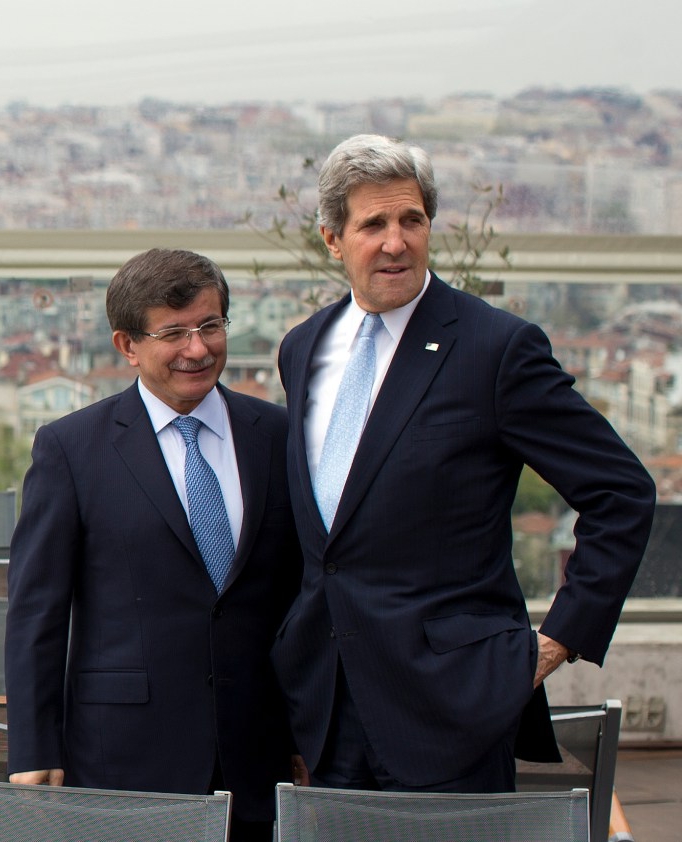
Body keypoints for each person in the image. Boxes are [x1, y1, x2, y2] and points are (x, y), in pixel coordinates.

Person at [273, 134, 656, 794]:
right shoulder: (303, 349)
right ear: (332, 240)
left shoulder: (495, 349)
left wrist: (554, 642)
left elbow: (621, 492)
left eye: (412, 220)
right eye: (373, 225)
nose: (396, 242)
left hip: (450, 708)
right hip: (326, 712)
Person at [5, 248, 302, 841]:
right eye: (174, 333)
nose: (198, 349)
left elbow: (301, 593)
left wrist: (311, 732)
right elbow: (37, 611)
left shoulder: (278, 436)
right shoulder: (71, 449)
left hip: (260, 759)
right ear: (127, 345)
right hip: (124, 760)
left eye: (211, 326)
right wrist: (33, 748)